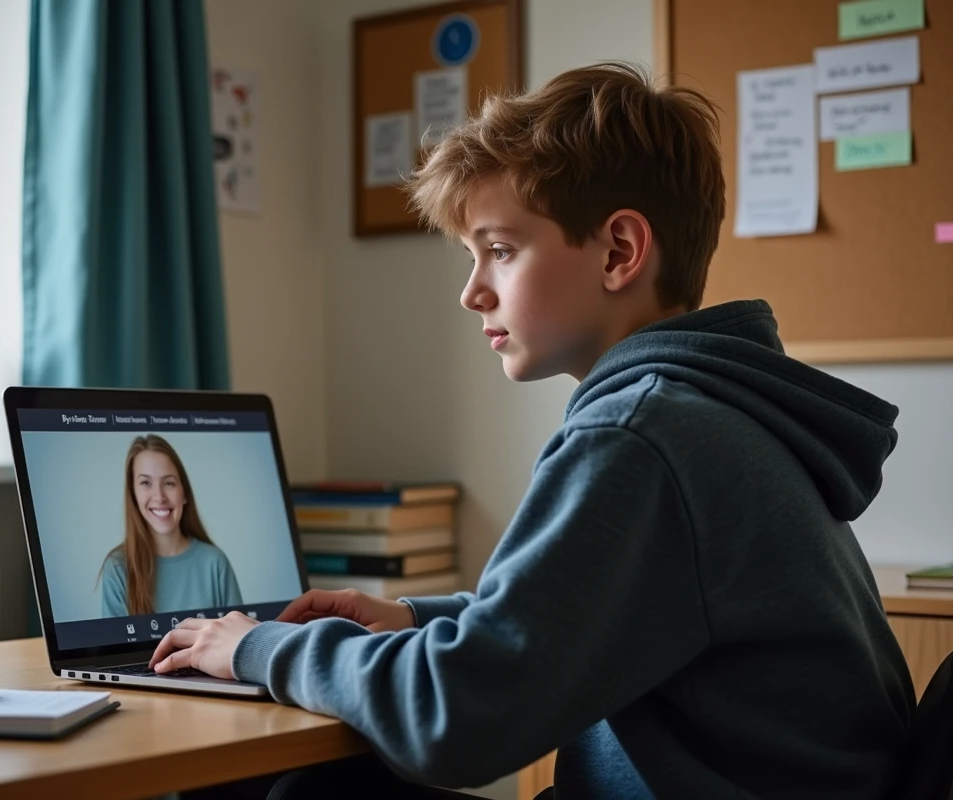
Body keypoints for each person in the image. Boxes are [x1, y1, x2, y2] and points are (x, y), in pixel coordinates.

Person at [149, 63, 915, 799]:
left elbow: (454, 722)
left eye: (500, 250)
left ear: (619, 250)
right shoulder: (718, 411)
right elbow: (570, 629)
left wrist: (254, 647)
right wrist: (416, 618)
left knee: (297, 793)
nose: (472, 292)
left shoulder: (643, 437)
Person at [99, 434, 242, 617]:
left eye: (168, 483)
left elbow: (241, 642)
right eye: (145, 483)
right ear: (133, 496)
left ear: (184, 494)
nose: (159, 496)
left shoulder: (215, 563)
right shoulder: (117, 568)